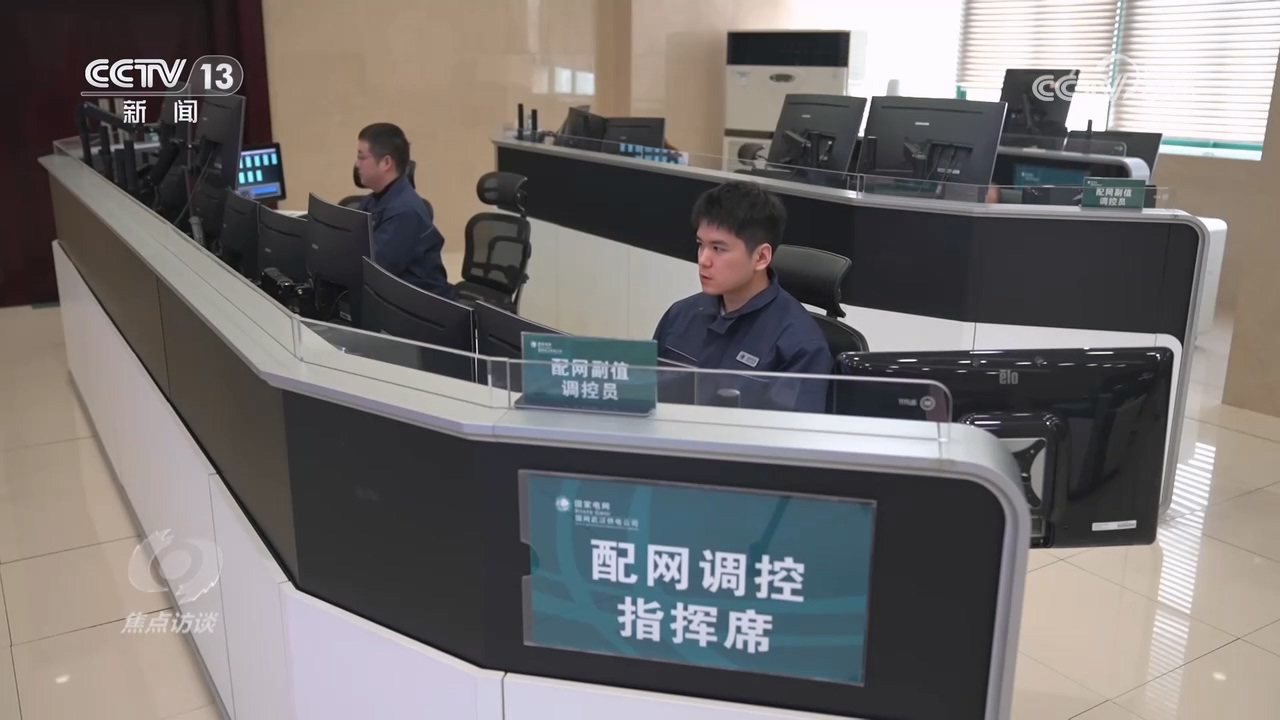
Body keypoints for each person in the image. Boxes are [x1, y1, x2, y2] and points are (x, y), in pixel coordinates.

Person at [652, 181, 832, 413]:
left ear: (761, 257)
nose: (703, 260)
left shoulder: (800, 345)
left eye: (718, 248)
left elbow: (793, 433)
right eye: (700, 245)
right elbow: (647, 397)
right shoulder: (680, 315)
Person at [355, 123, 450, 296]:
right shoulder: (374, 200)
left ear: (386, 162)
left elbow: (372, 269)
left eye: (361, 157)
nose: (357, 164)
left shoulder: (405, 212)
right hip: (393, 297)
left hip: (420, 305)